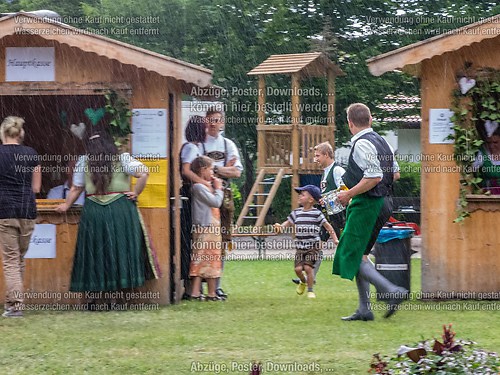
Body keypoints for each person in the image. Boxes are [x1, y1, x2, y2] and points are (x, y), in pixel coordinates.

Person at [55, 131, 160, 302]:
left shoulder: (84, 161)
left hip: (94, 211)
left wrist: (66, 205)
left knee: (96, 252)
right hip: (120, 209)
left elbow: (76, 188)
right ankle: (119, 296)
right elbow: (144, 172)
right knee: (119, 250)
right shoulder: (122, 158)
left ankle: (96, 297)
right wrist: (135, 192)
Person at [333, 103, 407, 321]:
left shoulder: (362, 144)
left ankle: (392, 291)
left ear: (350, 123)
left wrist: (348, 194)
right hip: (384, 202)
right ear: (371, 120)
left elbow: (373, 177)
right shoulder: (382, 142)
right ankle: (365, 309)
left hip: (367, 204)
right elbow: (395, 174)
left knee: (349, 253)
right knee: (361, 254)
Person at [200, 107, 243, 299]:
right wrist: (225, 168)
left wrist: (213, 168)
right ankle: (198, 286)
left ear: (222, 123)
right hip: (202, 196)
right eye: (210, 120)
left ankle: (216, 285)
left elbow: (237, 172)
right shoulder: (198, 144)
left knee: (222, 241)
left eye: (216, 120)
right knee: (200, 240)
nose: (213, 124)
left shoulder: (228, 145)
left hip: (224, 197)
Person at [0, 116, 41, 318]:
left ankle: (16, 306)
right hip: (27, 211)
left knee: (10, 261)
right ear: (20, 134)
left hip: (5, 211)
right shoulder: (31, 154)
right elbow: (36, 187)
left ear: (3, 133)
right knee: (18, 259)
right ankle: (11, 303)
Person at [292, 142, 346, 285]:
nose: (315, 159)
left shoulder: (337, 170)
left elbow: (345, 192)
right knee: (317, 246)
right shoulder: (325, 173)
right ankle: (311, 278)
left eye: (317, 156)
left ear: (326, 155)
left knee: (348, 248)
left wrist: (328, 200)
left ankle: (369, 271)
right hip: (328, 217)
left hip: (341, 217)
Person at [275, 185, 337, 299]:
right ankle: (302, 282)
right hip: (300, 247)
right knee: (298, 269)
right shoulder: (296, 213)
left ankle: (310, 291)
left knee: (308, 268)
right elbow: (287, 224)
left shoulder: (317, 214)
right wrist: (280, 228)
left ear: (311, 199)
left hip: (313, 246)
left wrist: (335, 239)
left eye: (302, 194)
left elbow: (328, 227)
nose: (299, 196)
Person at [179, 116, 209, 299]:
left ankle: (194, 286)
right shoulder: (191, 147)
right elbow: (186, 170)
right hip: (190, 198)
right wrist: (204, 184)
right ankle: (191, 288)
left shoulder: (194, 147)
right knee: (192, 241)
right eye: (204, 128)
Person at [188, 155, 224, 301]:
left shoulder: (204, 187)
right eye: (210, 170)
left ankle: (209, 293)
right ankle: (199, 293)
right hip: (205, 228)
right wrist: (219, 189)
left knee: (210, 259)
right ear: (202, 170)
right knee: (202, 258)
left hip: (212, 228)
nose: (213, 173)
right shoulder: (198, 187)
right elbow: (216, 202)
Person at [473, 125, 500, 194]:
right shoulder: (481, 154)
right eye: (488, 143)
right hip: (487, 195)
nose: (491, 146)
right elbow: (470, 171)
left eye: (495, 142)